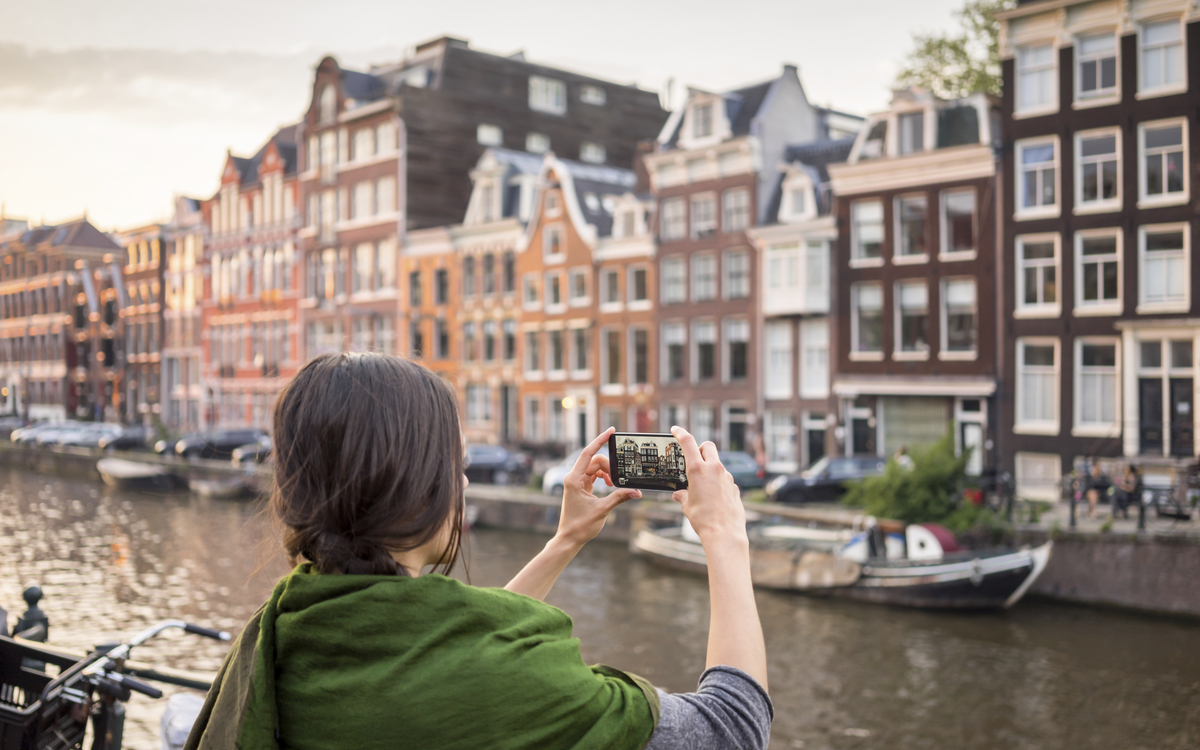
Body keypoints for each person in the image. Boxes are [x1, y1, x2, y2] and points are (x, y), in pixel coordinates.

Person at [185, 353, 772, 750]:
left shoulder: (286, 632)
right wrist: (725, 535)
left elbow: (447, 654)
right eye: (455, 466)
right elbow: (731, 727)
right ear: (415, 483)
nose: (463, 486)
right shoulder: (516, 683)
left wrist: (564, 542)